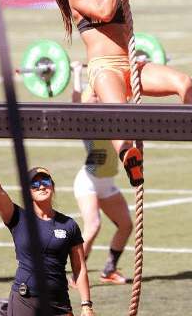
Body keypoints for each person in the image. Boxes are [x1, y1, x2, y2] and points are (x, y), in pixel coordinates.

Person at [54, 0, 192, 188]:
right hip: (104, 68)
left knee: (182, 81)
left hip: (131, 66)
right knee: (121, 113)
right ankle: (129, 157)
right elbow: (103, 11)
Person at [0, 145, 93, 316]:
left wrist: (86, 305)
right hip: (25, 299)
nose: (41, 186)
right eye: (34, 184)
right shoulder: (18, 218)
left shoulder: (69, 224)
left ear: (52, 186)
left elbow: (79, 267)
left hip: (58, 301)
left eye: (45, 181)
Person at [68, 62, 133, 288]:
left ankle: (108, 270)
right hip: (88, 182)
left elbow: (120, 92)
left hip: (107, 183)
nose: (97, 95)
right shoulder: (86, 121)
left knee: (126, 225)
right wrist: (77, 73)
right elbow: (77, 101)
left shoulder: (113, 114)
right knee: (93, 226)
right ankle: (76, 275)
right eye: (93, 95)